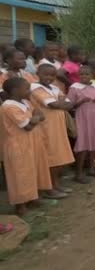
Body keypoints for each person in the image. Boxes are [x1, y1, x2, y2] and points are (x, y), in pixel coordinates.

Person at [0, 77, 52, 216]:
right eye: (27, 88)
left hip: (30, 142)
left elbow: (40, 115)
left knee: (32, 170)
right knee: (19, 174)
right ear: (15, 90)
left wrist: (34, 118)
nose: (29, 91)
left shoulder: (25, 102)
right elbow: (27, 126)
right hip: (17, 144)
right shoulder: (9, 106)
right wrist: (34, 118)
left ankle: (32, 198)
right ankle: (20, 205)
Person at [31, 64, 75, 192]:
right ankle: (49, 187)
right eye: (46, 74)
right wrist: (62, 103)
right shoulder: (35, 88)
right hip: (46, 128)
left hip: (58, 127)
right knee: (50, 157)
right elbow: (54, 104)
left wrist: (62, 104)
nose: (49, 77)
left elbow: (69, 104)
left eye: (52, 75)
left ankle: (55, 184)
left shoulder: (54, 88)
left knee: (59, 156)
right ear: (38, 73)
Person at [67, 65, 95, 183]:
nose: (84, 76)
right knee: (82, 144)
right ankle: (78, 174)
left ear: (92, 76)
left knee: (93, 142)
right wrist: (81, 101)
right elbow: (70, 105)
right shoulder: (75, 88)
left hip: (94, 117)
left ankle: (91, 168)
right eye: (82, 74)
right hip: (82, 118)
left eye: (87, 74)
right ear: (78, 75)